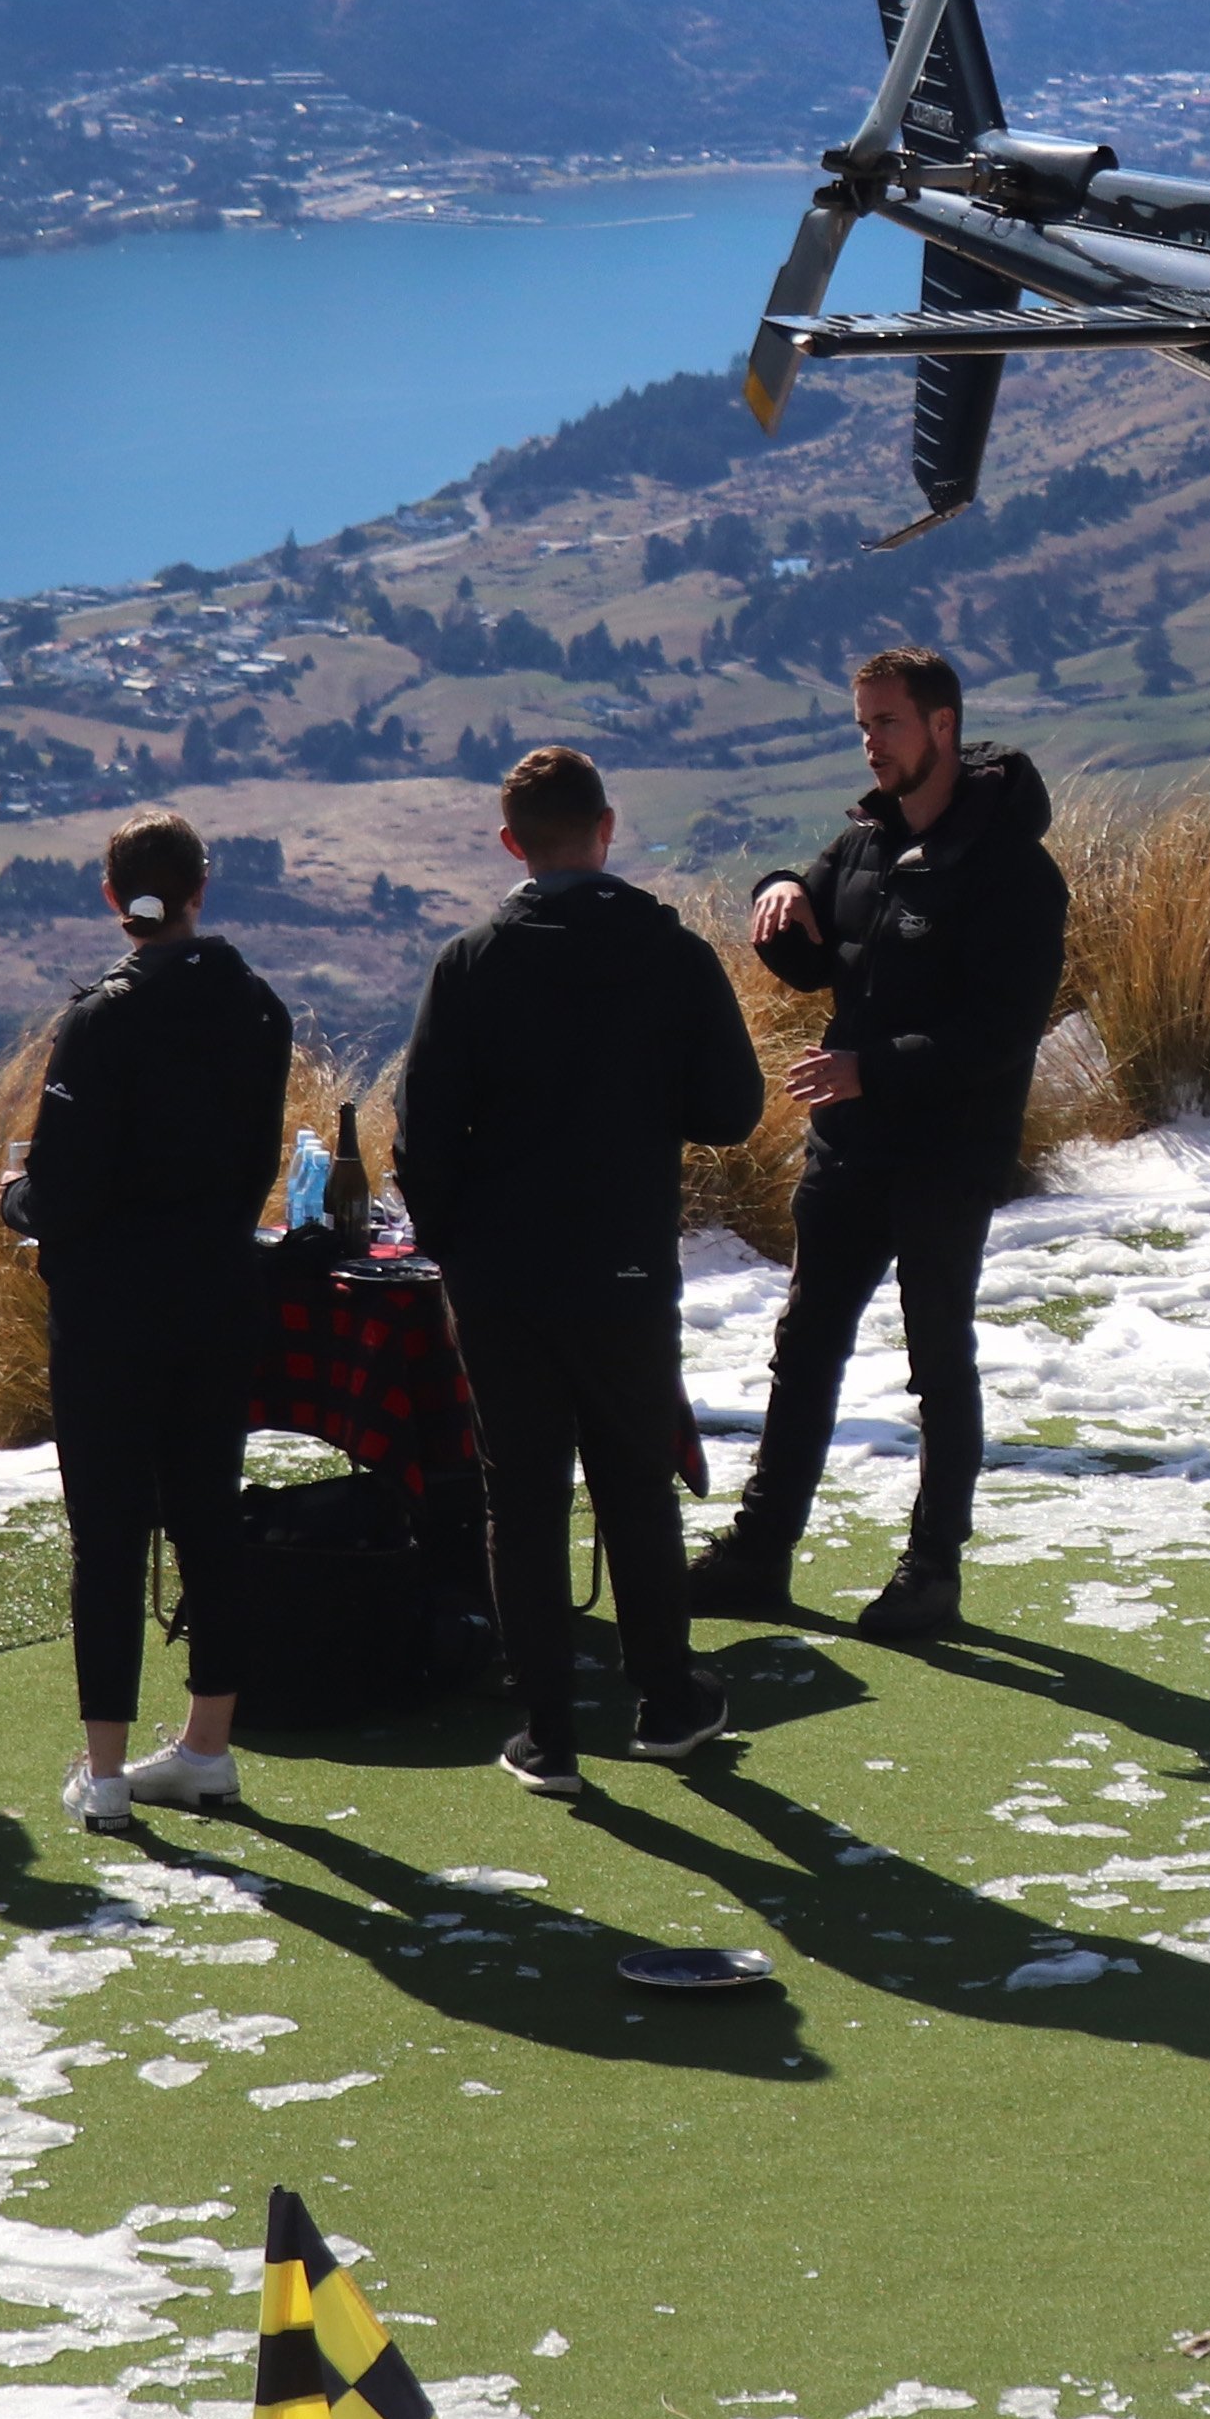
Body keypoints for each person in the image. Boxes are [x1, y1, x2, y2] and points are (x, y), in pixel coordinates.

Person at [382, 743, 766, 1796]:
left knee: (523, 1495)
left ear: (512, 843)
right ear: (607, 827)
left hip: (502, 1277)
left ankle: (548, 1732)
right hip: (625, 1264)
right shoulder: (668, 952)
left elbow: (421, 1138)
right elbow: (734, 1108)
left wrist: (458, 1252)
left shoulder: (469, 963)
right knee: (635, 1485)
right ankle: (667, 1699)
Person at [695, 646, 1063, 1647]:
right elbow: (816, 953)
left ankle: (930, 1570)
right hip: (849, 1144)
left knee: (938, 1358)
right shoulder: (868, 837)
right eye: (862, 724)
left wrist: (872, 1069)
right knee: (805, 1344)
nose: (869, 744)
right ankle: (760, 1552)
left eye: (886, 724)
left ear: (941, 727)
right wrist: (778, 894)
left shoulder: (1016, 874)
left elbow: (999, 1034)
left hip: (948, 1150)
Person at [9, 811, 294, 1832]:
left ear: (111, 894)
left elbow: (65, 1187)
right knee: (210, 1512)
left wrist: (17, 1196)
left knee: (110, 1531)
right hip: (219, 1287)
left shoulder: (102, 1018)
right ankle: (207, 1751)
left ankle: (108, 1771)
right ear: (200, 887)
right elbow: (257, 1158)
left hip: (112, 1309)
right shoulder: (259, 1009)